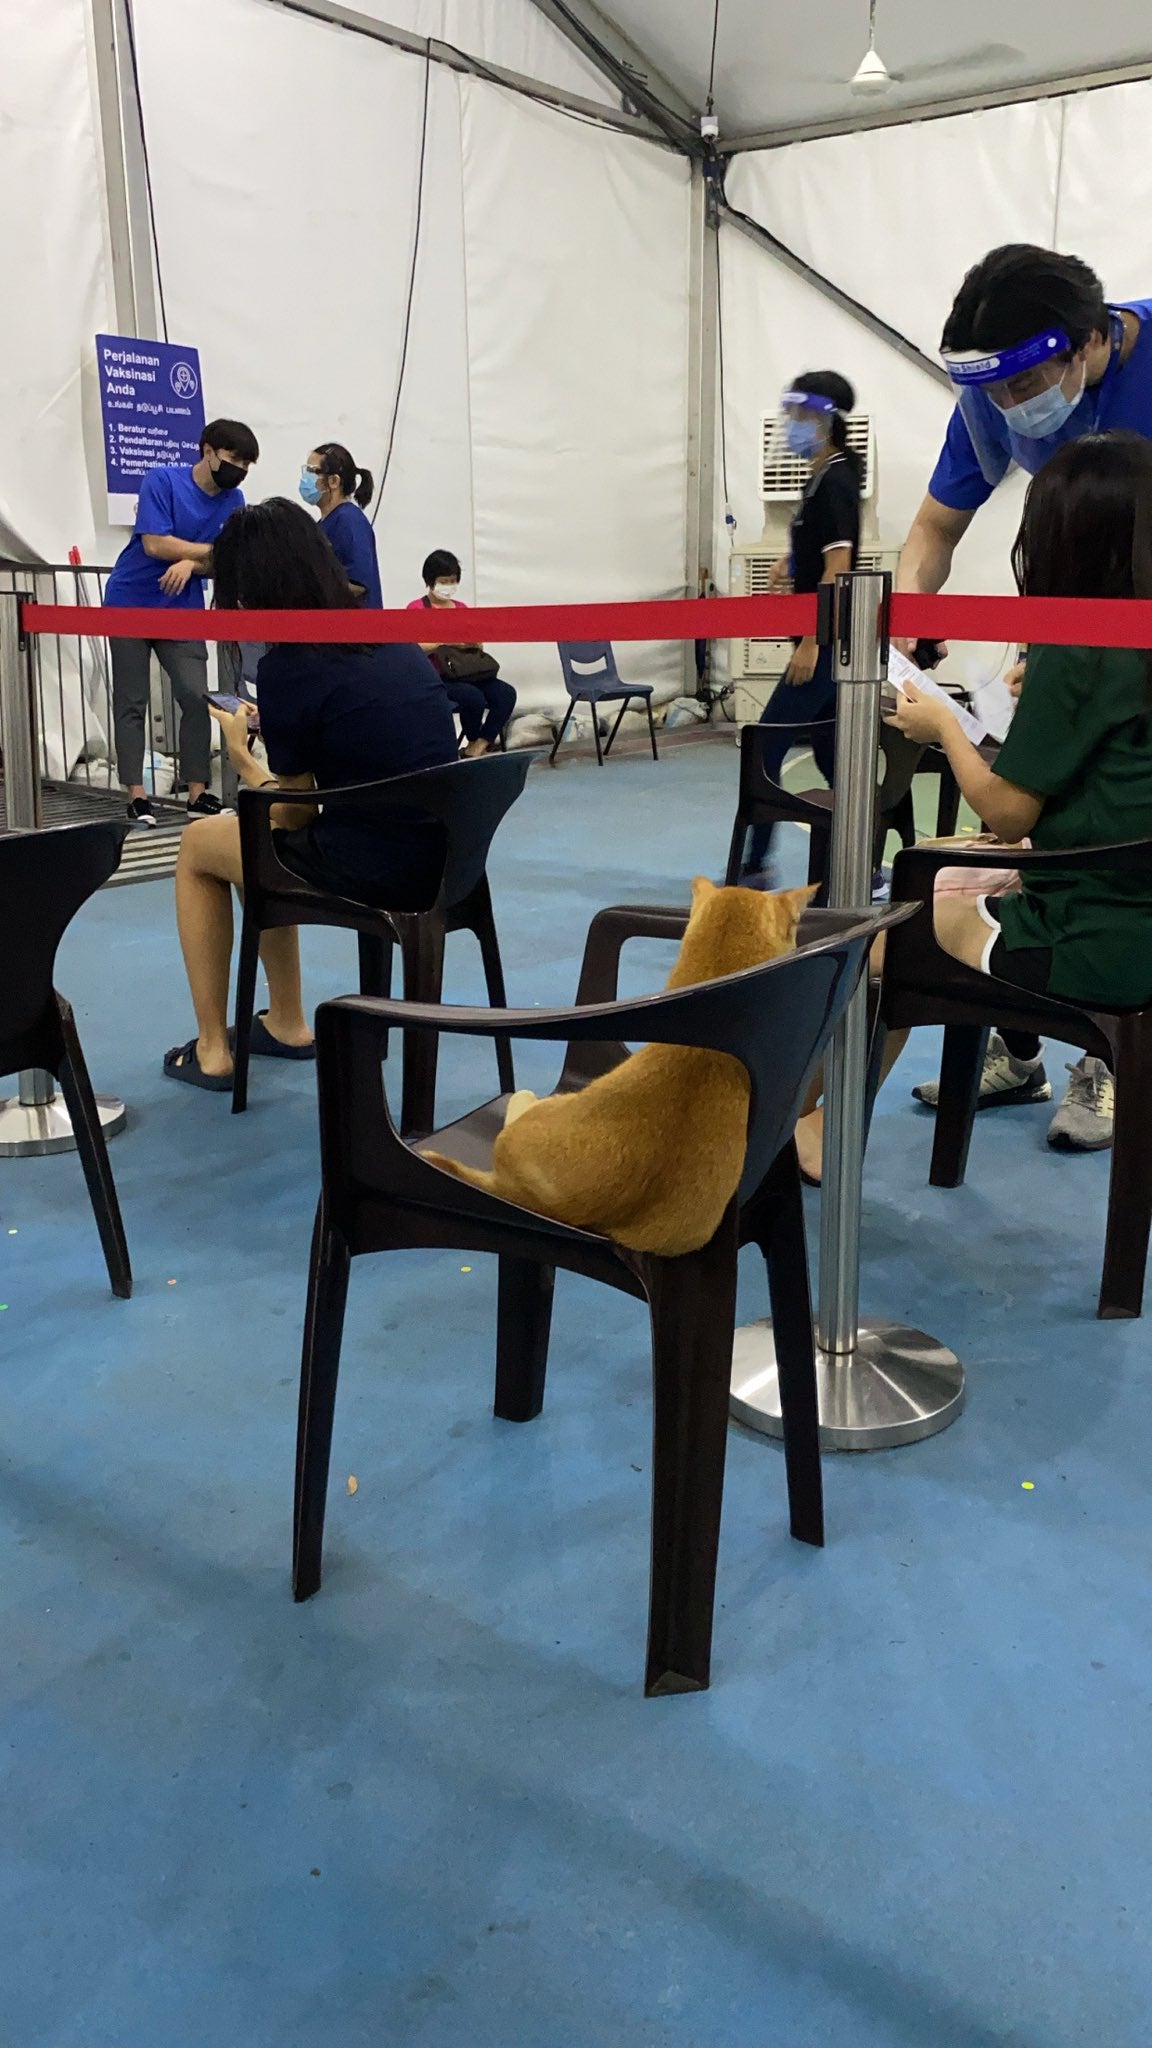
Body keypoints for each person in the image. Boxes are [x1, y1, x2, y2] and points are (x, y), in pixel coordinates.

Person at [898, 244, 1152, 1145]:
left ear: (1091, 344)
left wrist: (1094, 662)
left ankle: (1103, 1053)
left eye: (1028, 385)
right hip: (1087, 647)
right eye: (995, 393)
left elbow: (1005, 810)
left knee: (1061, 844)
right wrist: (894, 636)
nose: (1012, 409)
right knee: (1017, 843)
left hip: (1115, 655)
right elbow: (934, 529)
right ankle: (1024, 1034)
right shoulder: (992, 391)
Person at [163, 499, 458, 1091]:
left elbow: (292, 815)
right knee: (250, 847)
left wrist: (244, 756)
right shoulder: (388, 637)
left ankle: (214, 1047)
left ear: (251, 593)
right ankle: (286, 1021)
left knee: (201, 846)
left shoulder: (291, 666)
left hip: (378, 866)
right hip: (453, 853)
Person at [104, 418, 259, 827]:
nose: (239, 469)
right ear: (208, 451)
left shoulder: (235, 499)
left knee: (195, 697)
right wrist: (208, 554)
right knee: (132, 701)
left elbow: (233, 558)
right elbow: (155, 543)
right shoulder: (162, 481)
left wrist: (191, 561)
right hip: (130, 602)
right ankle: (136, 795)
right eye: (233, 458)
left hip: (183, 608)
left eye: (247, 463)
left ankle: (197, 793)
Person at [741, 373, 861, 883]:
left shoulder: (835, 478)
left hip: (825, 649)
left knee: (764, 749)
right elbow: (820, 553)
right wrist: (793, 561)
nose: (791, 426)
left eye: (799, 417)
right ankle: (863, 862)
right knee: (837, 762)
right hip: (827, 646)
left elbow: (841, 566)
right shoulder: (818, 479)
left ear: (824, 420)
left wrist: (811, 641)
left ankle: (752, 866)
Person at [408, 548, 516, 756]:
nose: (448, 586)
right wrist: (444, 642)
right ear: (430, 580)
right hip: (440, 677)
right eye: (443, 581)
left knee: (505, 694)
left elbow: (478, 647)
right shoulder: (416, 609)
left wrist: (473, 643)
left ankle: (481, 744)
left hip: (468, 672)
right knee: (472, 697)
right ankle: (473, 739)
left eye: (452, 580)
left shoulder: (462, 608)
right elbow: (412, 648)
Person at [298, 442, 382, 605]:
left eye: (312, 471)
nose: (305, 478)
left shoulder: (349, 521)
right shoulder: (324, 523)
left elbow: (358, 585)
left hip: (353, 624)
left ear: (334, 481)